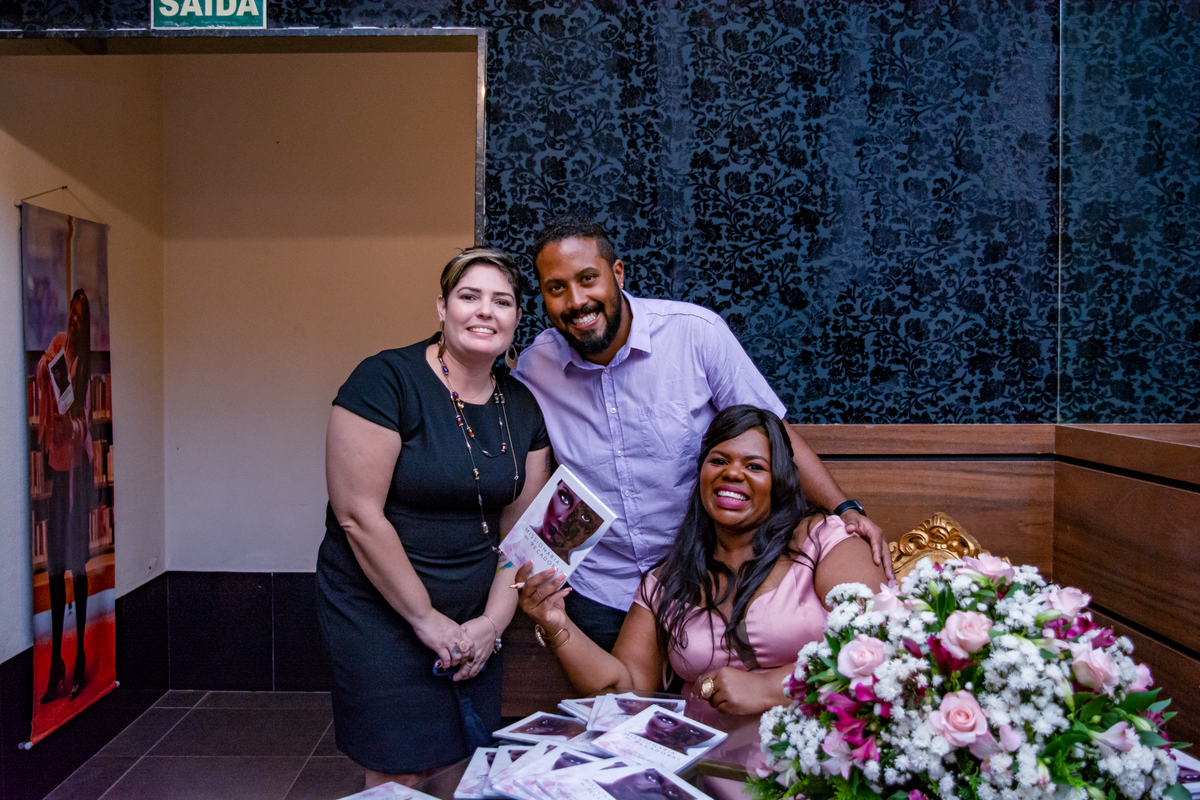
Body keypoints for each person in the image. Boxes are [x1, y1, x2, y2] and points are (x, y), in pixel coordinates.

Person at [512, 215, 890, 650]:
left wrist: (843, 508)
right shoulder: (534, 369)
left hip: (701, 581)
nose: (576, 300)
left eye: (587, 279)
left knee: (713, 691)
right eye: (556, 288)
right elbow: (534, 479)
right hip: (600, 590)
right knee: (616, 694)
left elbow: (774, 436)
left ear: (617, 273)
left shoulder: (695, 334)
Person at [316, 247, 552, 789]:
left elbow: (522, 534)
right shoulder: (385, 381)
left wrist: (491, 625)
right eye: (469, 296)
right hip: (380, 607)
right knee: (400, 766)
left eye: (502, 301)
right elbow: (357, 516)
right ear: (442, 307)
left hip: (473, 612)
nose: (485, 311)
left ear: (517, 318)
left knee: (459, 761)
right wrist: (425, 618)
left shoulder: (522, 406)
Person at [515, 405, 888, 721]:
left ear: (780, 481)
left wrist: (768, 687)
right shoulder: (667, 580)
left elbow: (882, 644)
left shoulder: (825, 541)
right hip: (703, 768)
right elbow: (625, 691)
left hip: (817, 765)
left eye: (755, 466)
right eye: (719, 461)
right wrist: (558, 626)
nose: (732, 473)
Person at [35, 289, 96, 703]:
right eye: (71, 314)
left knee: (77, 565)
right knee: (56, 567)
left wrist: (71, 425)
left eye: (79, 317)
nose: (73, 323)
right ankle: (56, 659)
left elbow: (84, 422)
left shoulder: (85, 364)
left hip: (78, 471)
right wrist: (45, 366)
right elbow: (41, 372)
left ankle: (79, 657)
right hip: (57, 471)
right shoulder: (58, 345)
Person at [533, 479, 602, 561]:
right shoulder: (519, 533)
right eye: (564, 498)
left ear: (595, 529)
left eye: (585, 517)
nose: (563, 520)